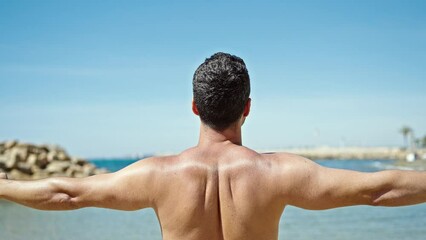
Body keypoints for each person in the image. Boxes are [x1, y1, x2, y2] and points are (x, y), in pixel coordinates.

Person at [0, 52, 425, 240]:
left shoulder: (157, 175)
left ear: (193, 106)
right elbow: (378, 189)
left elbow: (65, 192)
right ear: (248, 108)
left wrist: (3, 185)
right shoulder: (279, 174)